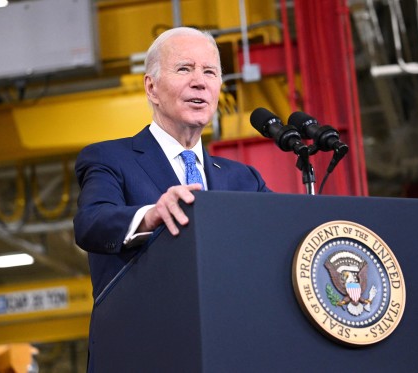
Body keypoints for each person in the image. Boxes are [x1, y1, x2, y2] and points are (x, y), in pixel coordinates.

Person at [73, 26, 270, 300]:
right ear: (151, 88)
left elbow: (277, 237)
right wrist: (150, 216)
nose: (200, 81)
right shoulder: (109, 159)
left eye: (210, 72)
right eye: (184, 69)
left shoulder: (246, 180)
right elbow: (91, 223)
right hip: (147, 335)